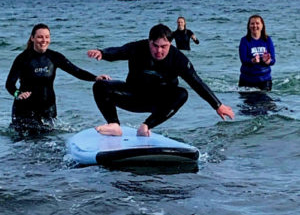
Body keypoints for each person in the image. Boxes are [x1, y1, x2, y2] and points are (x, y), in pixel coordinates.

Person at [87, 24, 234, 137]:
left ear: (170, 43)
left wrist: (217, 105)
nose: (159, 51)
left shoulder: (178, 59)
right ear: (149, 41)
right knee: (100, 86)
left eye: (164, 46)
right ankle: (114, 125)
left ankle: (146, 127)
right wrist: (102, 52)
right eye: (155, 46)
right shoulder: (139, 47)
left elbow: (196, 82)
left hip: (159, 103)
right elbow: (119, 51)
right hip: (133, 96)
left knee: (182, 93)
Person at [6, 23, 110, 134]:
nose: (44, 40)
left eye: (47, 37)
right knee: (25, 147)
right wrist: (18, 94)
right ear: (32, 38)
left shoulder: (54, 57)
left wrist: (95, 78)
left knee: (51, 145)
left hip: (48, 109)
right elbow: (9, 84)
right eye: (40, 37)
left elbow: (76, 71)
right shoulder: (22, 59)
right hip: (25, 110)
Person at [238, 14, 276, 91]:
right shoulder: (244, 41)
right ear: (249, 26)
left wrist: (268, 61)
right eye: (252, 23)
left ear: (262, 26)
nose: (255, 26)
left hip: (264, 80)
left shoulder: (267, 40)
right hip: (247, 80)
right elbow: (243, 60)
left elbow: (273, 60)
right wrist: (253, 61)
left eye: (257, 23)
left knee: (265, 102)